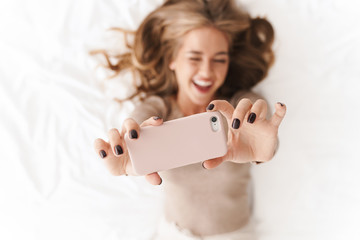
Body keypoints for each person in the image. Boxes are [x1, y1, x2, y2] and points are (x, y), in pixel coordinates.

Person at [93, 0, 286, 239]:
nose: (207, 72)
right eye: (195, 57)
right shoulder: (156, 110)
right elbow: (131, 135)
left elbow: (265, 137)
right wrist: (127, 159)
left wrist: (266, 150)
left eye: (219, 59)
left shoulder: (240, 107)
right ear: (172, 59)